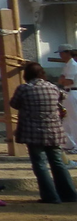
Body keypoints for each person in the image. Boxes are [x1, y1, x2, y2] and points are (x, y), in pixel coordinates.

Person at [9, 62, 77, 204]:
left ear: (26, 75)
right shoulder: (53, 87)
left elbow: (14, 104)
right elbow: (63, 96)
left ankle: (50, 196)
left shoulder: (24, 89)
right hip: (54, 131)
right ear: (42, 74)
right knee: (58, 162)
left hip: (33, 132)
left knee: (40, 163)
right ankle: (69, 194)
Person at [58, 45, 77, 156]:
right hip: (67, 92)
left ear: (67, 52)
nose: (60, 55)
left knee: (74, 119)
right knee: (66, 119)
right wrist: (62, 80)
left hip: (73, 91)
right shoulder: (68, 65)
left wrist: (62, 80)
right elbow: (61, 79)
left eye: (62, 53)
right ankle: (69, 144)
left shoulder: (73, 65)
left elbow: (67, 81)